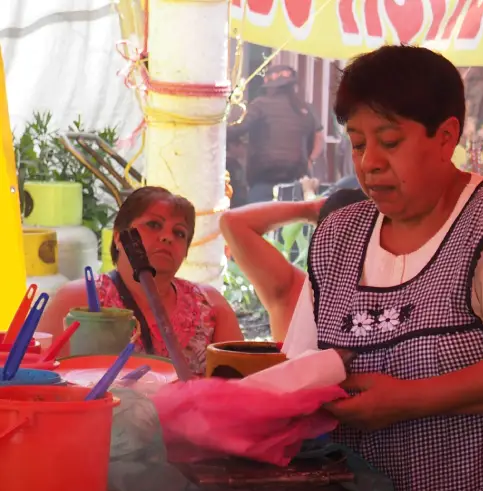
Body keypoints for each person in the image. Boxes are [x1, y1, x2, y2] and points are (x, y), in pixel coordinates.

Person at [235, 45, 483, 491]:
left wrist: (407, 400)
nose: (370, 164)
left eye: (390, 141)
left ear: (446, 135)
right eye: (359, 143)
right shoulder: (340, 234)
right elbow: (304, 362)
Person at [41, 186, 243, 374]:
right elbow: (40, 377)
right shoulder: (79, 300)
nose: (167, 237)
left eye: (179, 233)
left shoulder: (211, 306)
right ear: (119, 238)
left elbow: (240, 386)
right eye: (153, 225)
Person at [220, 188, 366, 341]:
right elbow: (232, 223)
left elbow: (232, 222)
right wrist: (311, 209)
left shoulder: (391, 300)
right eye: (335, 237)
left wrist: (311, 210)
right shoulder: (294, 292)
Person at [242, 65, 323, 205]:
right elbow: (319, 136)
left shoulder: (260, 104)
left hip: (264, 177)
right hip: (297, 177)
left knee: (259, 222)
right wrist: (311, 159)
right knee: (291, 223)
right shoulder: (304, 107)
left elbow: (241, 128)